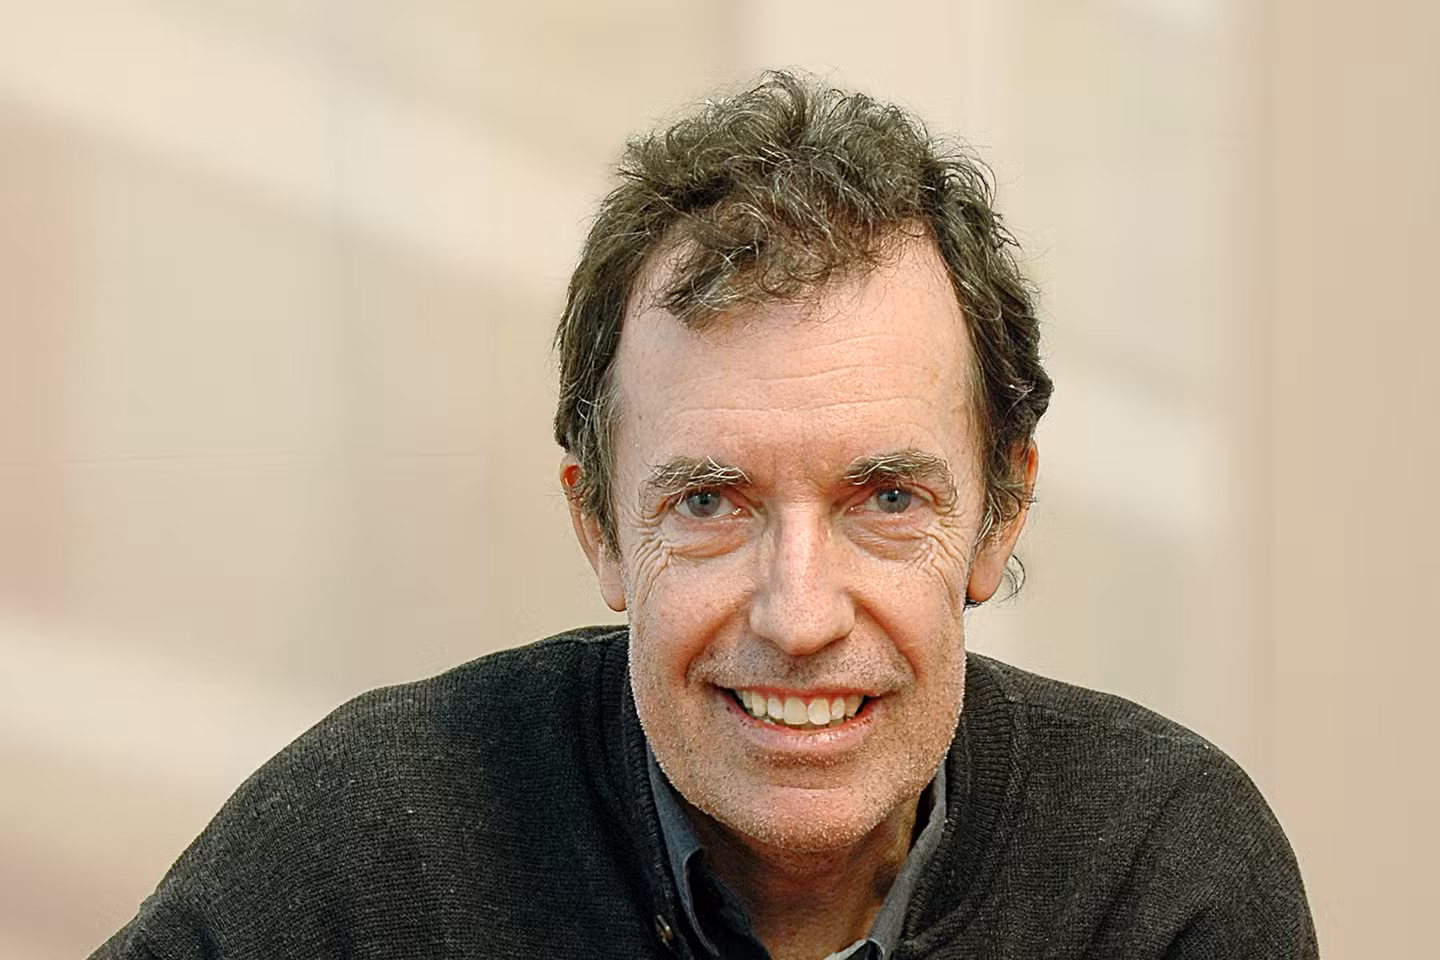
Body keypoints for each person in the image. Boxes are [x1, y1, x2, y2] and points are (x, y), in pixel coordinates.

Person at [92, 72, 1316, 960]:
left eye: (887, 499)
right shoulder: (370, 850)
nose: (798, 616)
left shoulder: (1160, 877)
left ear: (1000, 516)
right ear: (601, 530)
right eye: (711, 502)